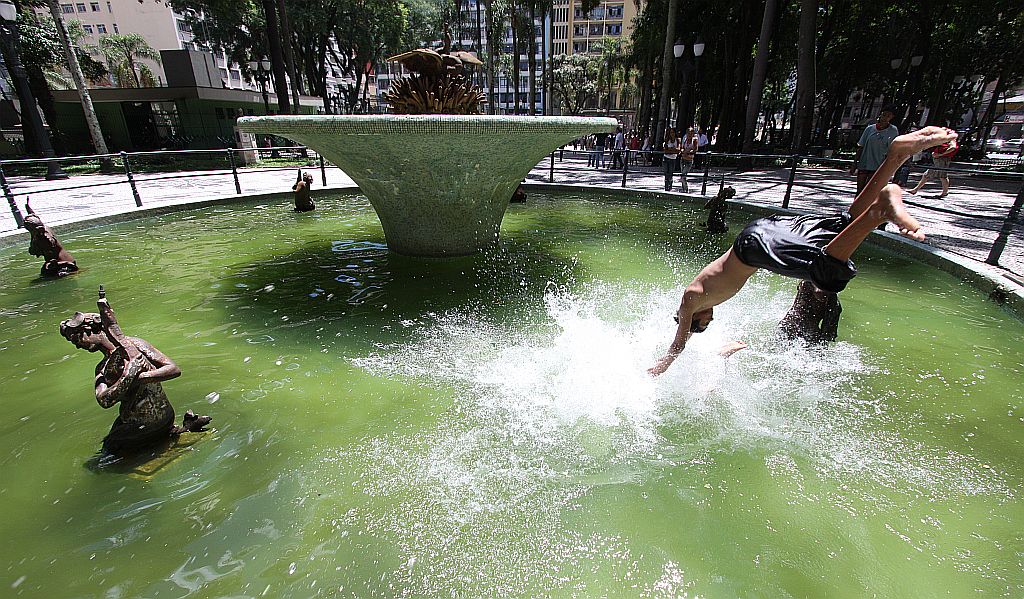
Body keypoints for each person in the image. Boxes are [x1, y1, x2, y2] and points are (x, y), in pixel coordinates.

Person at [648, 126, 957, 376]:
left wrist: (664, 363)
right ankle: (896, 156)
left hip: (754, 248)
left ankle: (880, 211)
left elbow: (679, 341)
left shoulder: (689, 301)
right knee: (841, 228)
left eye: (705, 322)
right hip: (761, 234)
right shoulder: (701, 297)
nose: (710, 319)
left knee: (828, 274)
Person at [61, 287, 211, 456]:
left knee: (110, 449)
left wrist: (143, 376)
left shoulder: (135, 345)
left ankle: (175, 432)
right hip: (132, 418)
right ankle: (180, 430)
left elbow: (173, 370)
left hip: (153, 420)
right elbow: (104, 401)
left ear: (94, 329)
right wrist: (129, 374)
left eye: (77, 338)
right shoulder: (101, 368)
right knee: (112, 434)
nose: (77, 345)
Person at [850, 106, 899, 194]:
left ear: (891, 117)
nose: (885, 118)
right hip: (864, 163)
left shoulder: (893, 130)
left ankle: (869, 208)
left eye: (888, 116)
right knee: (860, 191)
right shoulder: (869, 129)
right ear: (880, 115)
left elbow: (892, 150)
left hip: (878, 166)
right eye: (884, 115)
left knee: (870, 192)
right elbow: (861, 146)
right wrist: (854, 164)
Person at [22, 200, 78, 277]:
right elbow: (35, 217)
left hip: (62, 264)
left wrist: (59, 264)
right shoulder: (44, 228)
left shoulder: (42, 238)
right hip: (68, 258)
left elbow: (35, 251)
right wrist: (29, 210)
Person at [678, 128, 699, 193]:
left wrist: (688, 152)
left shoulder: (694, 140)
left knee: (683, 175)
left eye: (691, 133)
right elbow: (682, 147)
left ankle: (686, 189)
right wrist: (682, 151)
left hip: (689, 160)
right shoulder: (685, 139)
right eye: (688, 133)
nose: (689, 135)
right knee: (682, 175)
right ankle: (683, 188)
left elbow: (695, 149)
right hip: (683, 159)